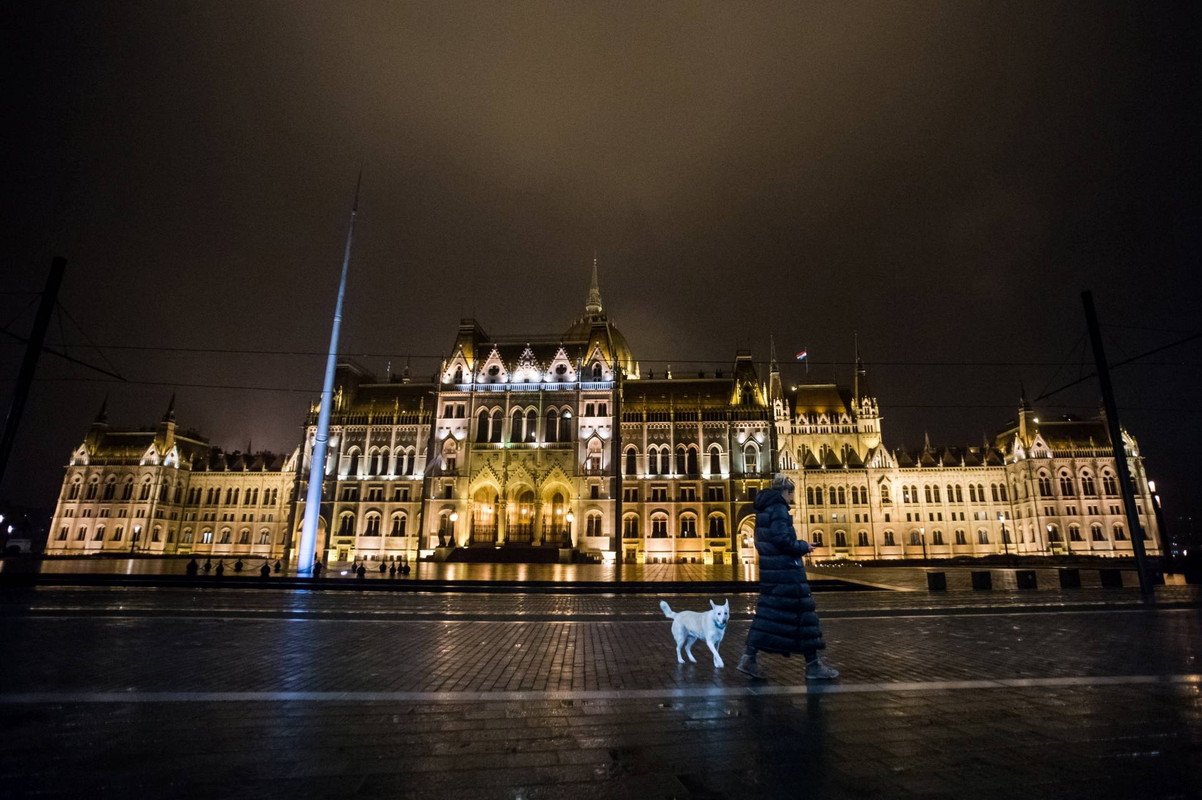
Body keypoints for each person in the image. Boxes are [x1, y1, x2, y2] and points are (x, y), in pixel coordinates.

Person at [736, 474, 838, 680]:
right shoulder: (779, 509)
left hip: (772, 572)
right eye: (792, 494)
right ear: (786, 492)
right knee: (804, 616)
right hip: (786, 572)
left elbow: (764, 541)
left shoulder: (763, 509)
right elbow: (782, 540)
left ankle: (749, 657)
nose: (792, 499)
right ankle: (813, 666)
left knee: (767, 616)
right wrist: (803, 546)